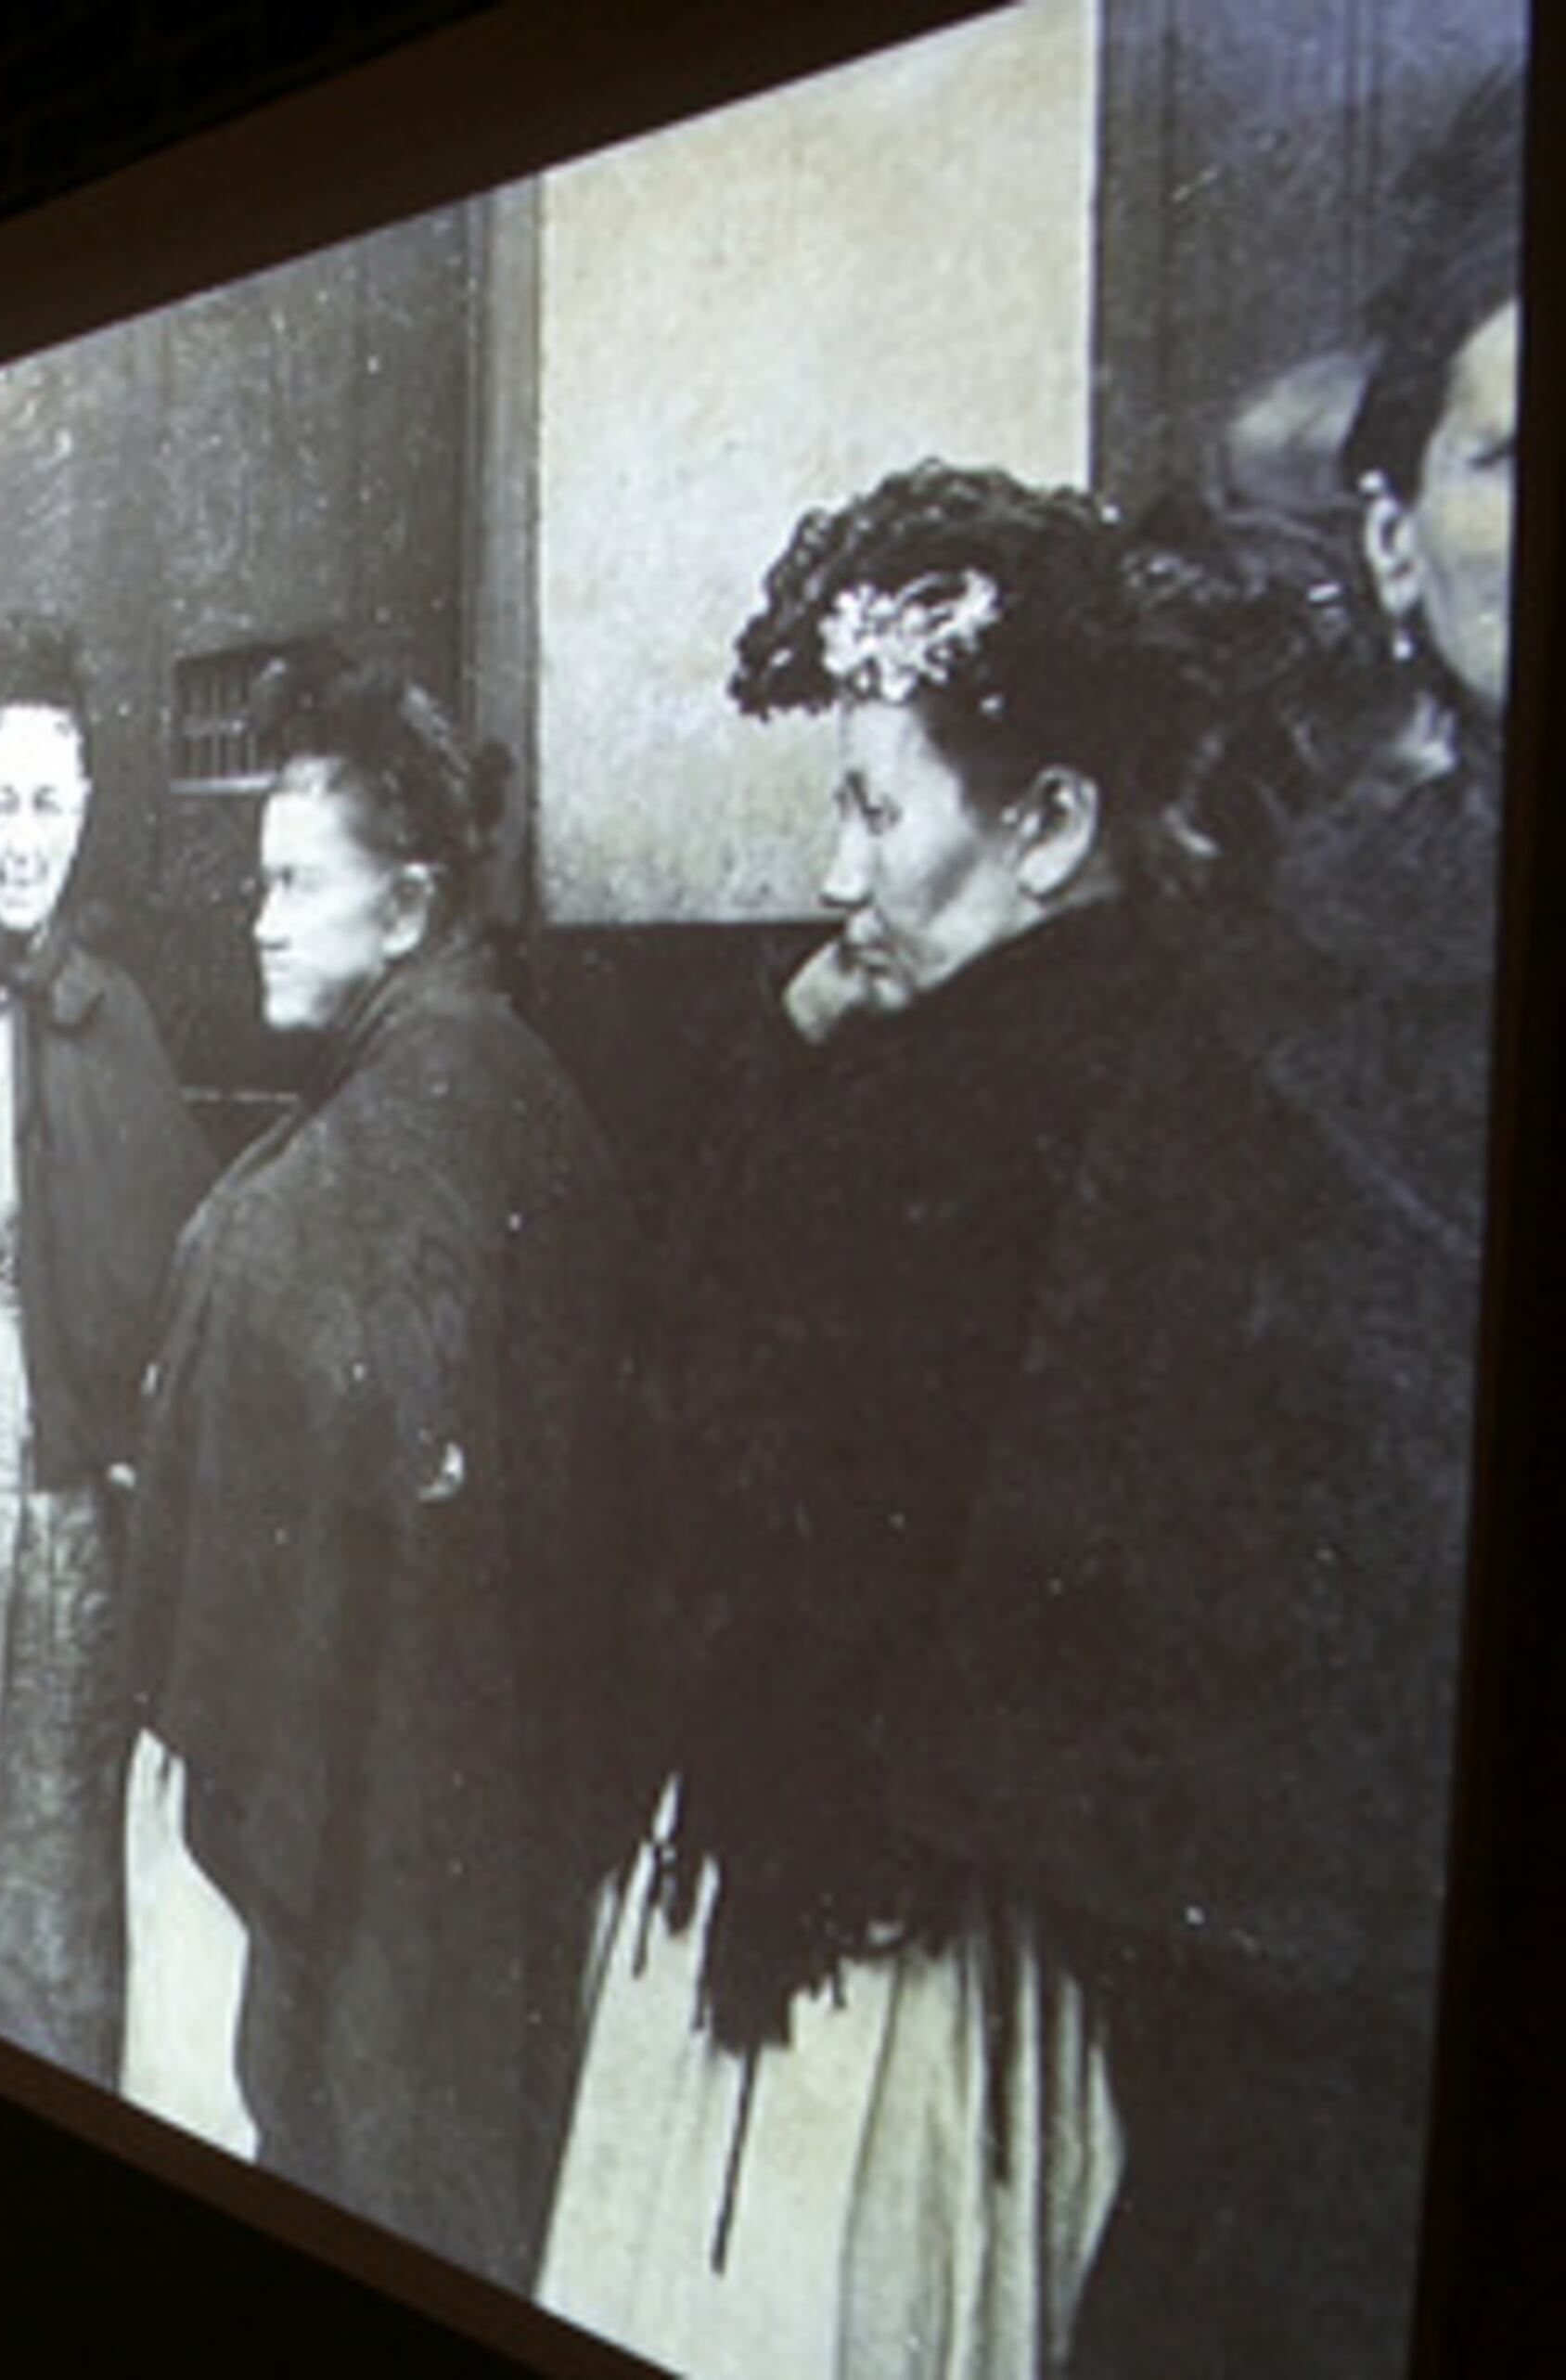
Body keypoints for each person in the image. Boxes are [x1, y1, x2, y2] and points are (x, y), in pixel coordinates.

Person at [534, 463, 1319, 2377]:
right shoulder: (943, 1059)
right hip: (828, 1877)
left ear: (1047, 825)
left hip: (910, 1926)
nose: (836, 872)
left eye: (878, 810)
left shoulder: (1068, 1108)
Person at [908, 75, 1521, 2377]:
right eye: (1509, 456)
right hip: (1327, 2131)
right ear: (1391, 540)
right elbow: (1073, 1638)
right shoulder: (1258, 1018)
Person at [118, 646, 626, 2290]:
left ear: (406, 908)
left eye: (296, 885)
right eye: (257, 884)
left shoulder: (369, 1161)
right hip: (492, 1800)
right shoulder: (505, 1088)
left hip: (399, 1800)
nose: (258, 921)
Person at [0, 614, 207, 2077]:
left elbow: (159, 1258)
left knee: (56, 1795)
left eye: (44, 806)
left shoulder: (116, 1015)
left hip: (71, 1466)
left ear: (80, 816)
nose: (21, 840)